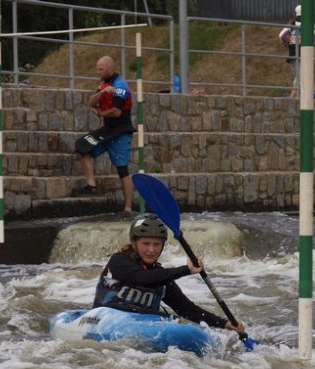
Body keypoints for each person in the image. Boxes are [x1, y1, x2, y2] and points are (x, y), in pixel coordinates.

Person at [93, 215, 247, 336]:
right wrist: (186, 270)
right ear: (134, 243)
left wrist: (224, 323)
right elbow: (141, 278)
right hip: (107, 316)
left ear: (163, 246)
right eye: (146, 243)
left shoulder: (162, 278)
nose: (151, 250)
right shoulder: (119, 261)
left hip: (144, 323)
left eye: (156, 244)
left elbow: (187, 309)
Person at [73, 55, 135, 212]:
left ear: (109, 68)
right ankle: (91, 184)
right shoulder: (104, 84)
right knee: (81, 148)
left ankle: (128, 208)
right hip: (107, 131)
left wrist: (100, 113)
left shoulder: (121, 86)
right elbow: (90, 102)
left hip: (121, 131)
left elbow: (116, 113)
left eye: (100, 69)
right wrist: (101, 93)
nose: (97, 72)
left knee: (122, 170)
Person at [278, 5, 315, 99]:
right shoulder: (308, 25)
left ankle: (296, 98)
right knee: (301, 77)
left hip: (293, 54)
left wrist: (287, 43)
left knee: (298, 76)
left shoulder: (291, 25)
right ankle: (293, 97)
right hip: (305, 54)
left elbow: (281, 36)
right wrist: (310, 42)